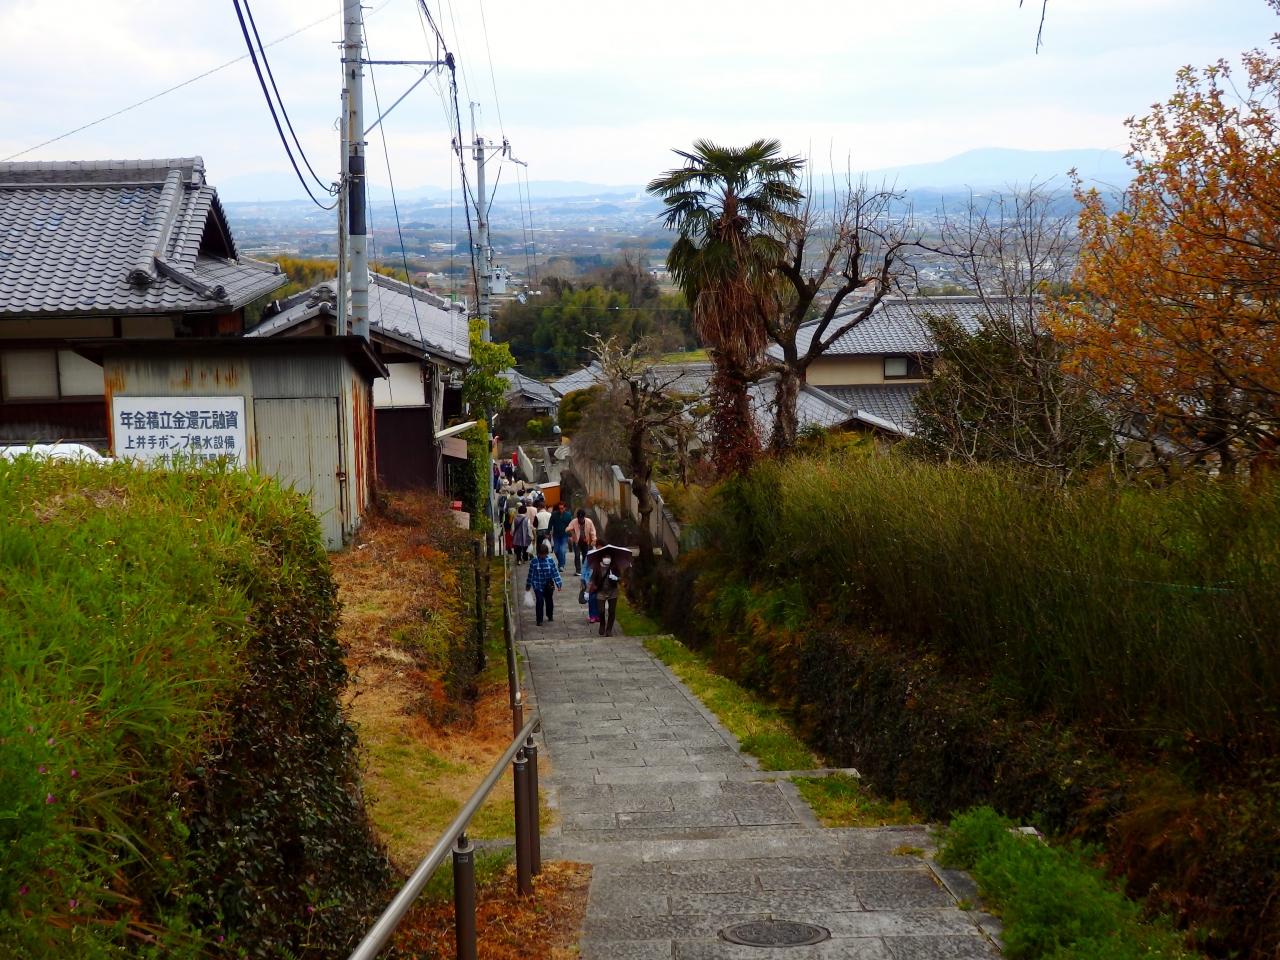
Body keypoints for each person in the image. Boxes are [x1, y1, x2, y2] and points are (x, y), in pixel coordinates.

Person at [525, 540, 562, 626]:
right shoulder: (534, 561)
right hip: (537, 584)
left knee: (549, 601)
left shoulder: (550, 560)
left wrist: (558, 583)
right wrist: (528, 585)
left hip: (548, 584)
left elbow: (555, 572)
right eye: (541, 554)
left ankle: (550, 615)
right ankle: (539, 619)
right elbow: (531, 574)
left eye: (544, 554)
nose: (542, 556)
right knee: (539, 601)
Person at [588, 554, 621, 637]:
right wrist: (587, 591)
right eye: (605, 557)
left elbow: (620, 578)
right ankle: (602, 623)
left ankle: (609, 629)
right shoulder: (597, 567)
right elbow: (592, 579)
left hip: (612, 591)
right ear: (602, 558)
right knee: (601, 610)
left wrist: (616, 578)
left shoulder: (614, 566)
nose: (607, 559)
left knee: (612, 611)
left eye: (608, 557)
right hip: (601, 592)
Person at [566, 509, 597, 574]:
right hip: (576, 541)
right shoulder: (574, 521)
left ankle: (584, 569)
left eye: (582, 518)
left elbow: (593, 531)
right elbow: (567, 529)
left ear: (584, 517)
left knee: (585, 556)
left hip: (585, 541)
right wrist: (572, 532)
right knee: (577, 555)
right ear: (577, 517)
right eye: (579, 518)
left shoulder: (589, 521)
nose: (580, 519)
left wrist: (594, 539)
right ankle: (578, 570)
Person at [548, 502, 572, 570]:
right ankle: (561, 562)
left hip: (564, 535)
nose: (560, 510)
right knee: (556, 550)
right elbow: (550, 524)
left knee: (562, 550)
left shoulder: (568, 515)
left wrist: (571, 535)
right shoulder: (554, 514)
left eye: (562, 508)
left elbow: (570, 525)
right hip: (556, 535)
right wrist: (548, 532)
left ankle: (561, 565)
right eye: (559, 508)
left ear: (565, 508)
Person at [580, 552, 600, 624]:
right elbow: (585, 566)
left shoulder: (604, 554)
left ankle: (598, 615)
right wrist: (582, 579)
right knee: (591, 599)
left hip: (600, 580)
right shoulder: (590, 554)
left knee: (599, 599)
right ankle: (592, 616)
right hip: (590, 579)